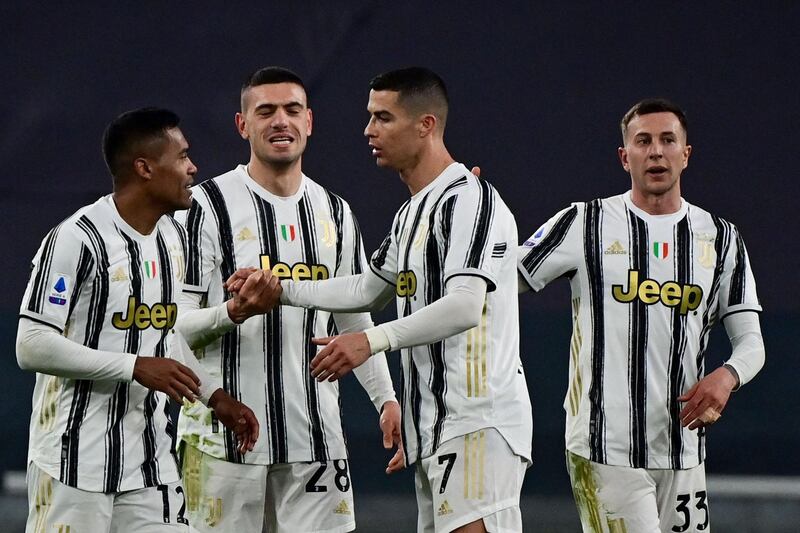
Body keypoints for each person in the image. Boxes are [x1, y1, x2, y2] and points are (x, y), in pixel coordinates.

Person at [275, 67, 533, 533]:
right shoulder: (412, 212)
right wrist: (281, 289)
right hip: (435, 428)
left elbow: (463, 305)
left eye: (383, 118)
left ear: (426, 125)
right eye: (370, 117)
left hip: (478, 422)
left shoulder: (469, 201)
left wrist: (370, 342)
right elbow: (366, 290)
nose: (369, 130)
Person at [517, 98, 765, 532]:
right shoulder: (585, 222)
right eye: (643, 141)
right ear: (623, 156)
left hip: (684, 450)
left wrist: (727, 376)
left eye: (668, 140)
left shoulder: (722, 239)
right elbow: (502, 280)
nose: (656, 151)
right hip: (604, 449)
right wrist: (481, 218)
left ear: (685, 155)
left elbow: (752, 343)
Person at [173, 66, 400, 533]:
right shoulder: (204, 206)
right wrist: (233, 312)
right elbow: (174, 327)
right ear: (243, 125)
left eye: (292, 110)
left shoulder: (335, 211)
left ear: (310, 121)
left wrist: (386, 399)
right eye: (266, 111)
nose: (282, 121)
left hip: (315, 440)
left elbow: (351, 319)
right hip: (222, 443)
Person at [16, 107, 260, 533]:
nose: (192, 168)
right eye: (182, 157)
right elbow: (31, 343)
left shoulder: (173, 239)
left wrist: (215, 397)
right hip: (73, 466)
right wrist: (133, 367)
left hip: (150, 467)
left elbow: (163, 338)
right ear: (145, 168)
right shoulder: (77, 238)